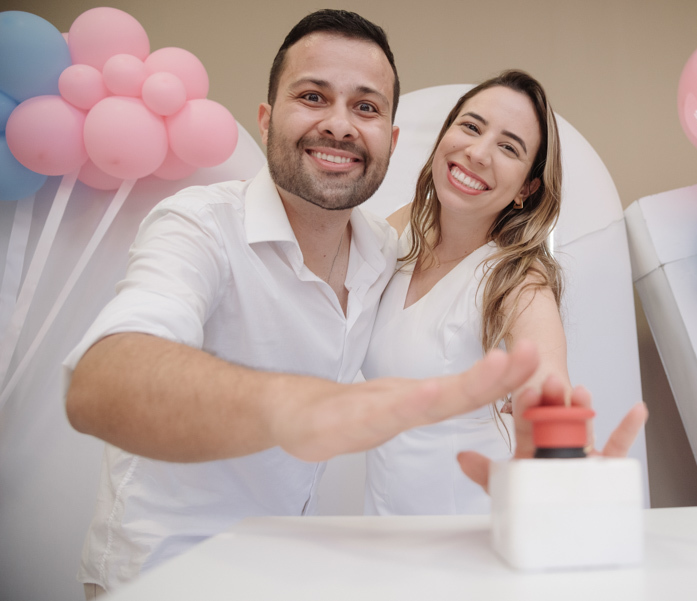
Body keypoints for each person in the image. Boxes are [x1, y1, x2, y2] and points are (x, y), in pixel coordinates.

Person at [63, 10, 540, 595]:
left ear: (390, 141)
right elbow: (101, 384)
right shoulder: (200, 226)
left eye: (365, 107)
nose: (340, 125)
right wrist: (297, 409)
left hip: (290, 573)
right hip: (164, 575)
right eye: (313, 96)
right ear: (265, 121)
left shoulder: (383, 253)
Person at [361, 70, 608, 515]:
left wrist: (565, 456)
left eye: (508, 147)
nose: (477, 153)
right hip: (385, 528)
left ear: (527, 189)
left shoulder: (518, 281)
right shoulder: (401, 230)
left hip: (472, 532)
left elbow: (550, 390)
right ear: (444, 137)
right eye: (471, 127)